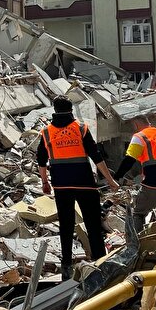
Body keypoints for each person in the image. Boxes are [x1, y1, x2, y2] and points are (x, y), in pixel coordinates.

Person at [37, 96, 119, 276]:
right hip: (85, 185)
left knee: (66, 225)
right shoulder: (81, 129)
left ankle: (67, 264)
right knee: (93, 224)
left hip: (61, 186)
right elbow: (96, 157)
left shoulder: (47, 133)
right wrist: (111, 181)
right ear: (71, 109)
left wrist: (45, 183)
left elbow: (41, 161)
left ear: (55, 110)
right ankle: (100, 261)